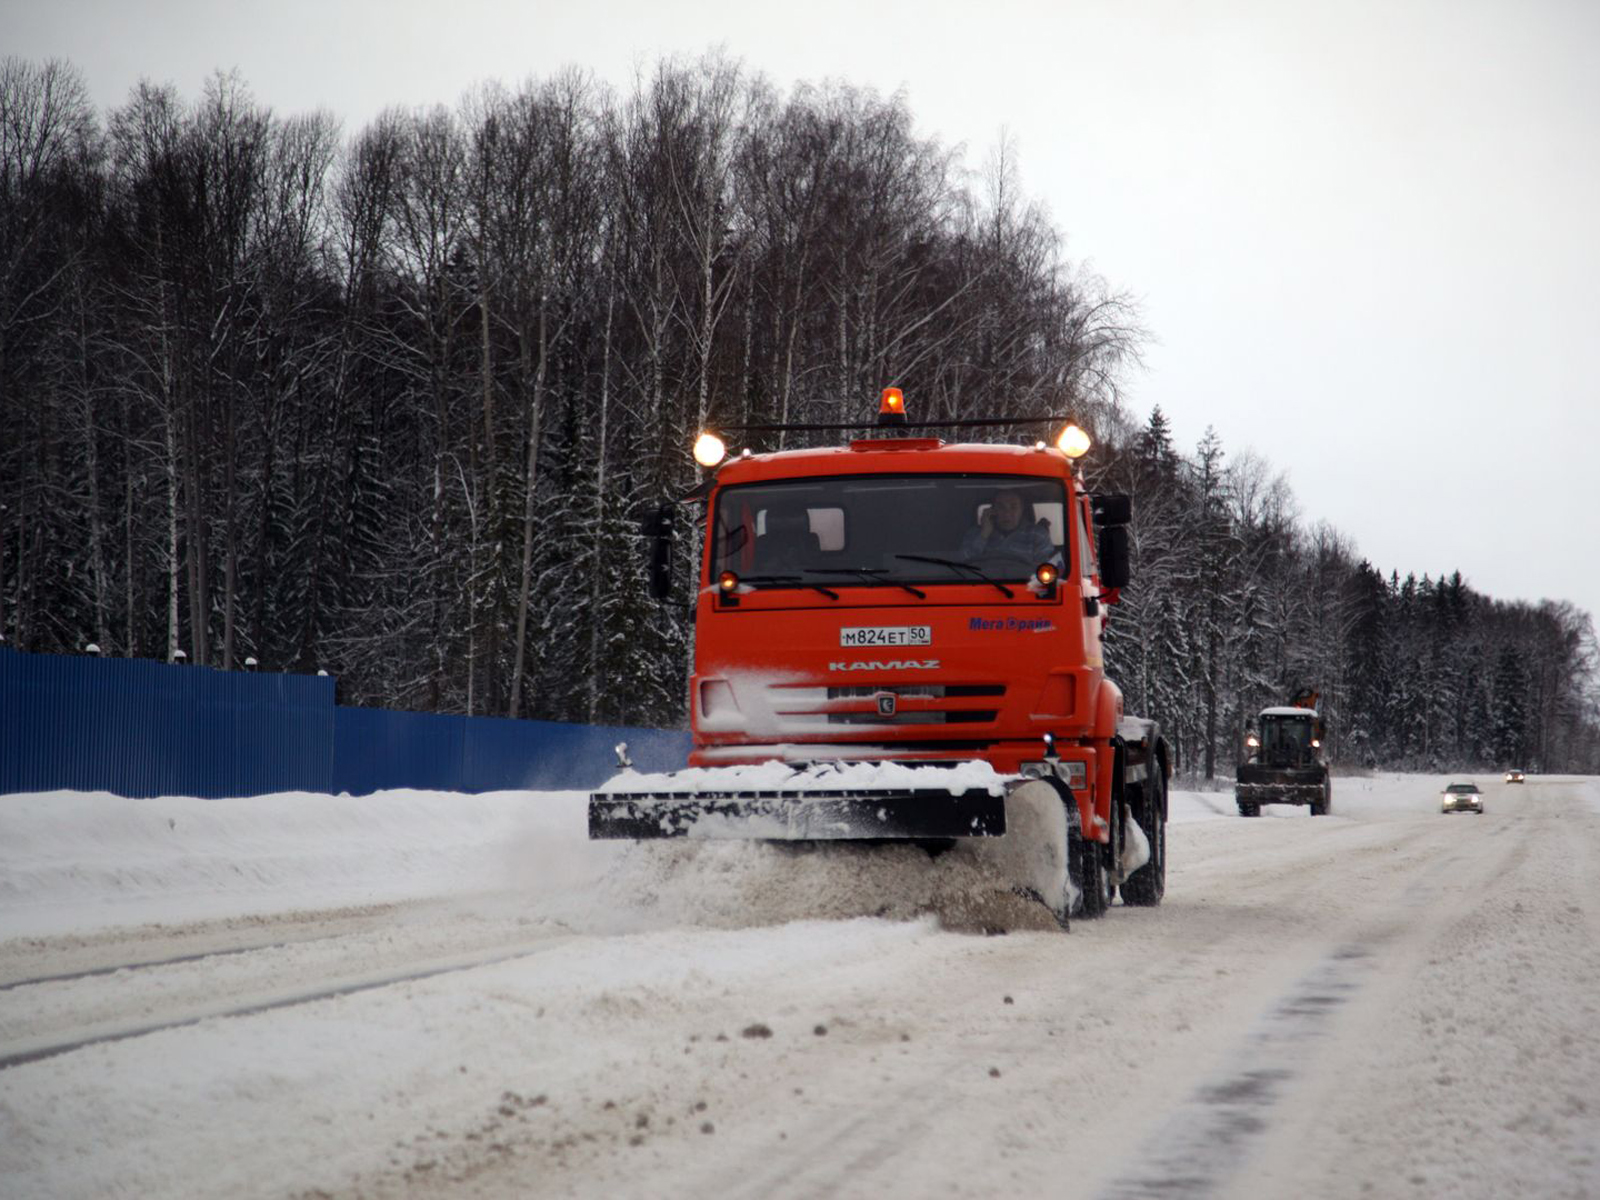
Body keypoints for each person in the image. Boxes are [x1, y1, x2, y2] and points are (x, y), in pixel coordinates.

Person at [960, 488, 1057, 564]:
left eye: (1013, 507)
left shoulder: (1037, 534)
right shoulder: (975, 533)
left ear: (1022, 510)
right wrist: (984, 534)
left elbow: (1047, 569)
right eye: (1001, 507)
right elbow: (963, 563)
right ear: (992, 510)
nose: (1007, 513)